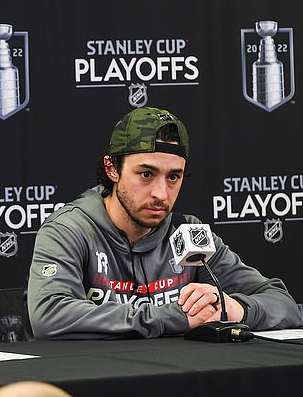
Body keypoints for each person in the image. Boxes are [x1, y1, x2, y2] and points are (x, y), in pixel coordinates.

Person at [26, 106, 303, 340]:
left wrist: (236, 308)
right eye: (146, 174)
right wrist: (174, 317)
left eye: (173, 177)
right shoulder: (70, 230)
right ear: (112, 168)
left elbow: (285, 306)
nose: (161, 193)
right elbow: (49, 315)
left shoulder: (187, 232)